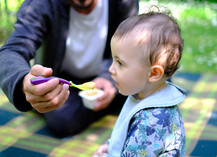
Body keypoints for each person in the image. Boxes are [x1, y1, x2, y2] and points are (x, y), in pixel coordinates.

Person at [0, 0, 139, 137]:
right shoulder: (41, 4)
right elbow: (11, 51)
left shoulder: (124, 3)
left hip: (111, 75)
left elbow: (131, 50)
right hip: (63, 84)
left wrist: (107, 78)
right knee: (63, 120)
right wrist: (23, 81)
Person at [92, 7, 187, 157]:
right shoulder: (143, 93)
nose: (111, 69)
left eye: (120, 63)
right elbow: (128, 134)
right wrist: (111, 146)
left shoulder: (151, 122)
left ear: (154, 73)